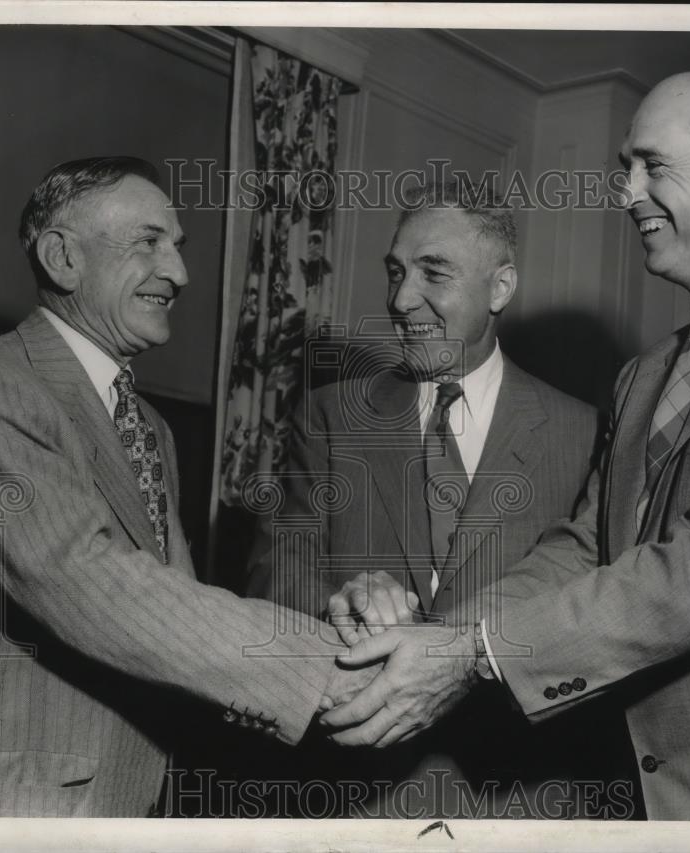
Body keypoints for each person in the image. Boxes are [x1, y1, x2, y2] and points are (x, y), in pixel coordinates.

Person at [322, 70, 690, 821]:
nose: (625, 193)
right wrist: (436, 639)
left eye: (653, 165)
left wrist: (471, 656)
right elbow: (585, 546)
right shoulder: (644, 375)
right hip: (647, 799)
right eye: (627, 167)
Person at [0, 157, 370, 817]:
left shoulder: (149, 426)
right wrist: (324, 664)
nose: (180, 273)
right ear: (62, 257)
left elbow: (171, 604)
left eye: (178, 248)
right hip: (6, 797)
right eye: (149, 243)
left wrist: (331, 623)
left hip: (128, 791)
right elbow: (83, 579)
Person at [248, 182, 613, 818]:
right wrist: (340, 603)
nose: (400, 299)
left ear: (501, 288)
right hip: (359, 794)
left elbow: (594, 602)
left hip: (524, 795)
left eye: (432, 273)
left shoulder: (582, 431)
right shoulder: (332, 416)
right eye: (395, 271)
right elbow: (274, 575)